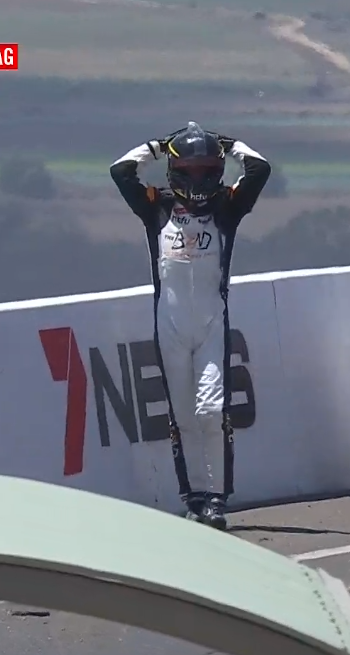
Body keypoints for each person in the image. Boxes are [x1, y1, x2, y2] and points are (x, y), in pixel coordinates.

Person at [110, 122, 271, 530]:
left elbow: (259, 168)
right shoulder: (155, 207)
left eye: (206, 170)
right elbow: (120, 171)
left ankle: (218, 498)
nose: (198, 179)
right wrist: (157, 145)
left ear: (217, 171)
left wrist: (229, 145)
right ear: (173, 170)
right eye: (189, 170)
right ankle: (194, 497)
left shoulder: (227, 207)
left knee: (211, 411)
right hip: (169, 325)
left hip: (213, 323)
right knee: (182, 416)